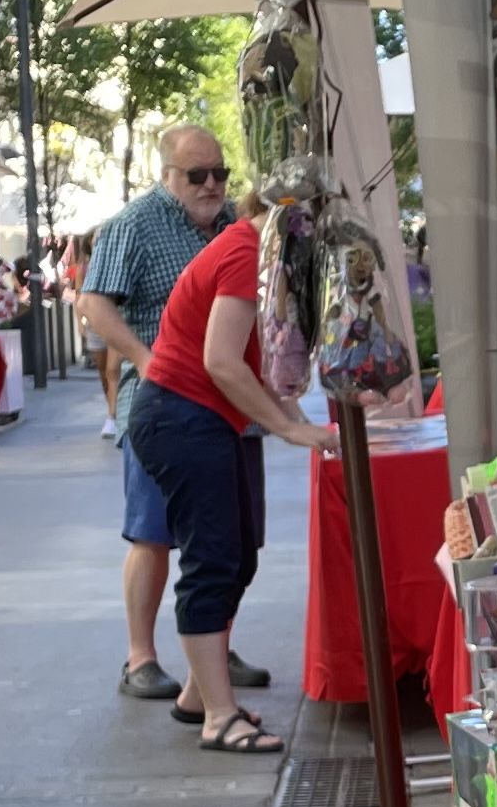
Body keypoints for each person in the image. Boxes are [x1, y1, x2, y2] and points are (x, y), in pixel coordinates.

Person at [131, 191, 325, 757]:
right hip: (181, 416)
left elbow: (254, 364)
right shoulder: (245, 253)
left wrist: (299, 420)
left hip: (194, 417)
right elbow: (221, 360)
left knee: (236, 555)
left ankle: (201, 695)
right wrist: (290, 429)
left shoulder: (252, 251)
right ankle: (218, 716)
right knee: (212, 560)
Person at [84, 126, 268, 704]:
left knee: (234, 540)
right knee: (153, 534)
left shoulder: (235, 230)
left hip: (234, 406)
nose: (212, 184)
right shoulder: (134, 225)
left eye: (220, 173)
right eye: (197, 175)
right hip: (166, 409)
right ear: (167, 176)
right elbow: (92, 303)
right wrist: (146, 358)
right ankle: (142, 656)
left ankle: (211, 652)